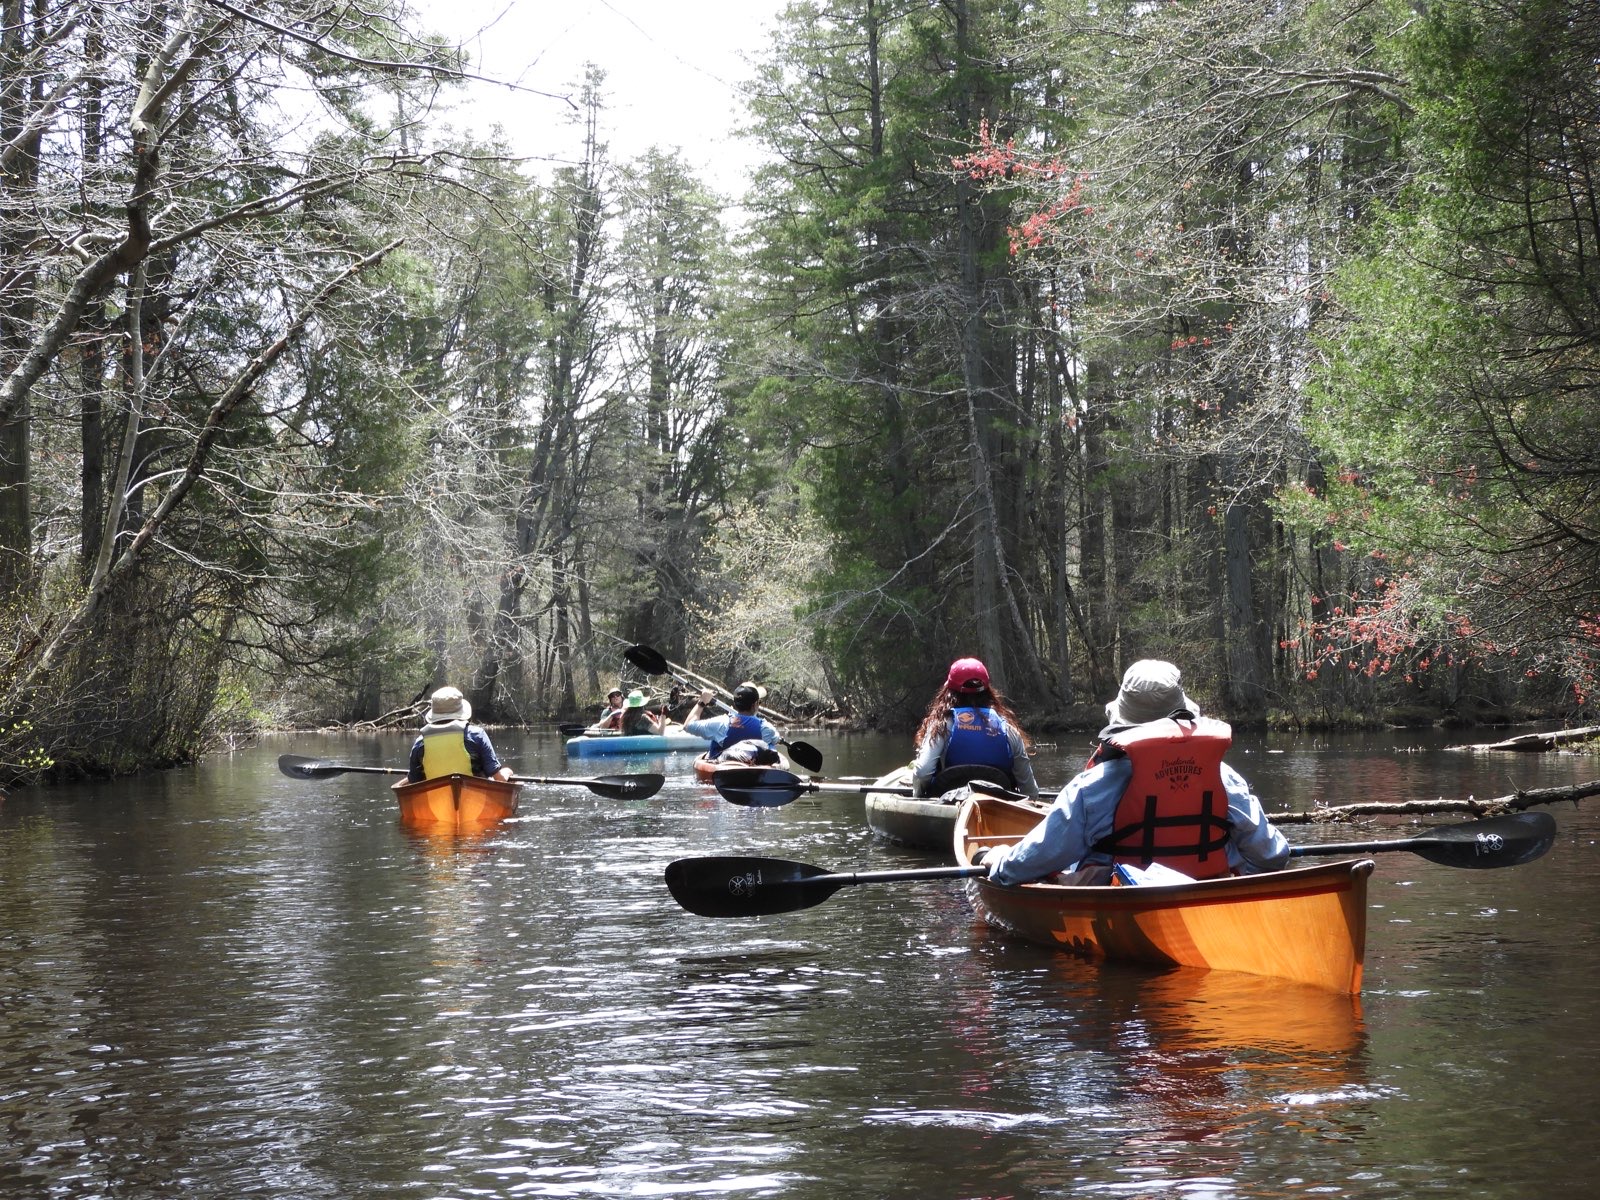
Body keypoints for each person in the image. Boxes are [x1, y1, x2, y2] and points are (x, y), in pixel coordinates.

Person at [979, 660, 1290, 885]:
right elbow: (1273, 855)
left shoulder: (1092, 788)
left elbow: (1031, 862)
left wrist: (999, 861)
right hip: (1206, 897)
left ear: (1122, 721)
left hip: (1122, 905)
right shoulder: (1224, 778)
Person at [909, 657, 1040, 799]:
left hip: (949, 802)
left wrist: (918, 796)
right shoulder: (1008, 730)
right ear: (988, 692)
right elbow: (1030, 792)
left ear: (949, 693)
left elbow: (922, 773)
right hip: (996, 804)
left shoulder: (941, 727)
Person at [407, 686, 514, 782]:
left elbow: (413, 781)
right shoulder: (477, 735)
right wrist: (508, 771)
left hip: (436, 797)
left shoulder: (420, 743)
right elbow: (499, 778)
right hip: (473, 796)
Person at [683, 682, 781, 761]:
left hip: (723, 769)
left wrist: (702, 702)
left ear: (734, 704)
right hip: (755, 769)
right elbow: (775, 740)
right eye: (759, 702)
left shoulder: (721, 723)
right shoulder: (766, 728)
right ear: (755, 705)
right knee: (770, 746)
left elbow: (687, 725)